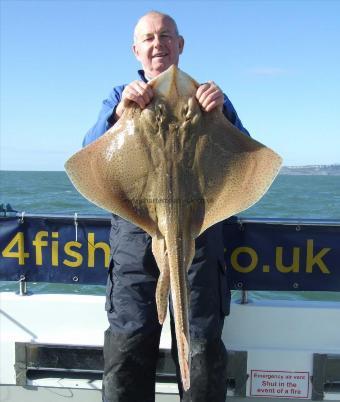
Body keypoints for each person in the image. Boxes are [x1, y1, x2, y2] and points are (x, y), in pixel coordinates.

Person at [83, 11, 250, 402]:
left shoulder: (207, 97)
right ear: (136, 50)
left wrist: (220, 112)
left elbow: (244, 155)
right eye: (149, 38)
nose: (158, 43)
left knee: (200, 342)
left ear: (180, 45)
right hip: (135, 229)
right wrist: (120, 114)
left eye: (166, 36)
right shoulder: (117, 98)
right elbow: (88, 153)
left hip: (198, 227)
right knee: (129, 340)